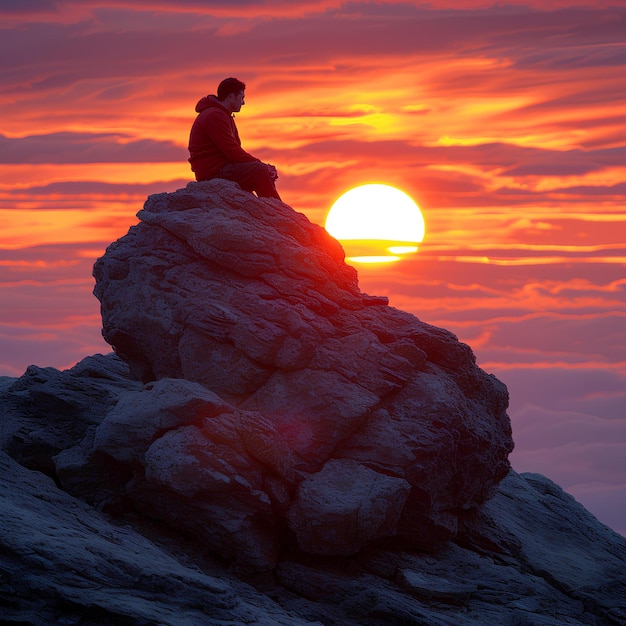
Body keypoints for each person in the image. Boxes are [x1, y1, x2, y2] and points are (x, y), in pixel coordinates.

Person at [188, 77, 281, 200]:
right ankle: (277, 213)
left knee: (260, 174)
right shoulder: (214, 115)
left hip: (223, 169)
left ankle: (275, 211)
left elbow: (235, 150)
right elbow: (232, 152)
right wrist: (261, 165)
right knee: (259, 170)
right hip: (213, 172)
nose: (243, 103)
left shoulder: (224, 115)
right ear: (231, 97)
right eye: (242, 98)